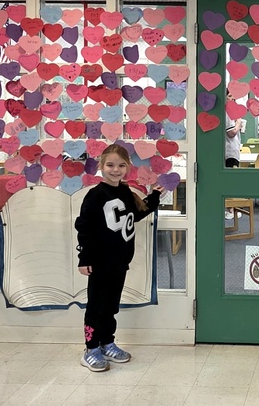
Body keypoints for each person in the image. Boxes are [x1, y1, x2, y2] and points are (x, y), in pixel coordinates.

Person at [75, 144, 164, 372]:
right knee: (97, 306)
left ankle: (107, 342)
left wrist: (154, 197)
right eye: (110, 165)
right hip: (99, 263)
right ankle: (91, 348)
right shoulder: (95, 195)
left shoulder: (125, 192)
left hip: (119, 262)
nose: (116, 170)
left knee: (111, 305)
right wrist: (85, 258)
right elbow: (84, 227)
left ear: (128, 167)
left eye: (121, 165)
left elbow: (137, 214)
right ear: (101, 166)